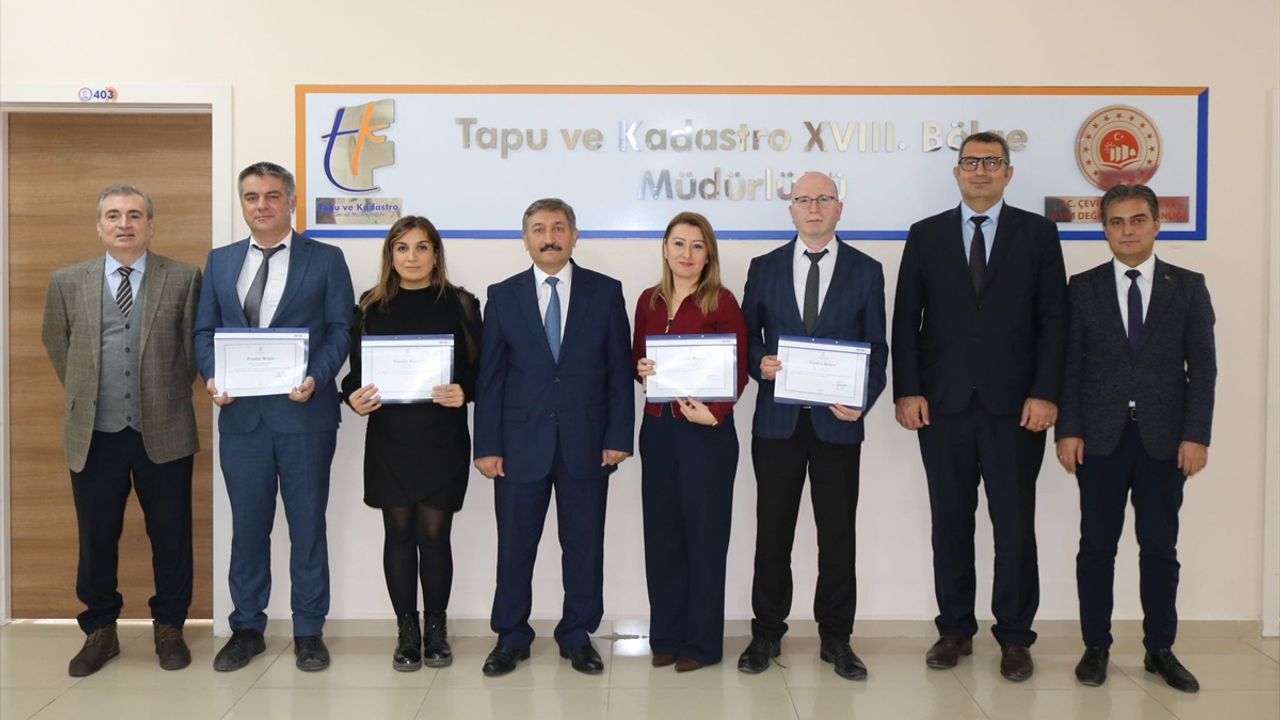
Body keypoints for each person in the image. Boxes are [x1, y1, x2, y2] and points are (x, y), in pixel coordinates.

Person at [892, 131, 1067, 681]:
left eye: (992, 162)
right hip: (941, 406)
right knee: (950, 523)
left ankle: (1015, 637)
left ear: (1008, 173)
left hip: (1016, 409)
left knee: (1014, 526)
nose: (981, 171)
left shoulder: (1038, 234)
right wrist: (907, 390)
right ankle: (954, 630)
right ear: (957, 172)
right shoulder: (925, 235)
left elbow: (1054, 321)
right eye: (971, 162)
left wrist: (1046, 392)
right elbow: (906, 319)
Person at [194, 161, 354, 672]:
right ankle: (247, 628)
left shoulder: (326, 259)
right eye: (251, 197)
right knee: (247, 529)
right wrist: (213, 376)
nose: (261, 205)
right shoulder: (221, 261)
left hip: (305, 417)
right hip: (241, 419)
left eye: (271, 196)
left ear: (291, 201)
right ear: (243, 203)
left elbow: (340, 330)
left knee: (307, 528)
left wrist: (317, 378)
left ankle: (309, 631)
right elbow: (204, 331)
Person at [1055, 184, 1215, 693]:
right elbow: (1069, 367)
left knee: (1160, 548)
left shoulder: (1187, 286)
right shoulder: (1082, 287)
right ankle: (1096, 646)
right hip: (1099, 439)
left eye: (1138, 220)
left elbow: (1203, 370)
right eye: (1117, 222)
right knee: (1096, 547)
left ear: (1156, 224)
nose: (1127, 231)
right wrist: (1068, 429)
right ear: (1104, 228)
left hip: (1165, 442)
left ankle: (1159, 648)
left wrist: (1196, 435)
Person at [42, 184, 202, 676]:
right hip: (94, 432)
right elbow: (57, 342)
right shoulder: (67, 281)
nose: (124, 223)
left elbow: (193, 350)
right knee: (96, 535)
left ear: (151, 225)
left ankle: (170, 627)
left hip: (166, 427)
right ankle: (100, 630)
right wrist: (89, 392)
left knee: (171, 534)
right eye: (113, 215)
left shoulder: (184, 278)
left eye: (135, 215)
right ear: (99, 227)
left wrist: (163, 393)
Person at [736, 172, 888, 681]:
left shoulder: (867, 270)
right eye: (804, 199)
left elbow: (877, 348)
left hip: (837, 425)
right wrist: (760, 363)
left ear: (839, 208)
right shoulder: (764, 267)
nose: (814, 207)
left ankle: (836, 638)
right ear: (792, 209)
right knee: (772, 534)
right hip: (777, 425)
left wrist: (861, 400)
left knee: (837, 536)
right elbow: (748, 337)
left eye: (824, 199)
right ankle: (766, 633)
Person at [473, 198, 633, 676]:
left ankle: (577, 635)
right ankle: (511, 636)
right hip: (519, 445)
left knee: (583, 545)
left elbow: (618, 371)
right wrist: (487, 446)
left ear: (575, 236)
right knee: (514, 547)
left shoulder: (606, 292)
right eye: (539, 229)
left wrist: (618, 436)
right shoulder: (503, 295)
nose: (549, 238)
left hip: (588, 443)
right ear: (525, 239)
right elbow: (491, 377)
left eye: (559, 228)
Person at [341, 216, 481, 671]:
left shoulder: (461, 304)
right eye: (402, 248)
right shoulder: (370, 306)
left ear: (436, 254)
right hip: (391, 438)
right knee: (398, 533)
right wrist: (352, 396)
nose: (412, 257)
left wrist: (466, 390)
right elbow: (355, 375)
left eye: (422, 247)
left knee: (435, 535)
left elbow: (482, 370)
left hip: (442, 437)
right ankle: (406, 632)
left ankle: (436, 629)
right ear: (391, 255)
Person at [633, 212, 748, 672]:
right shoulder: (648, 301)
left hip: (707, 433)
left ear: (708, 255)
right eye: (679, 244)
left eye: (697, 246)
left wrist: (715, 413)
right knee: (662, 537)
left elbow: (738, 368)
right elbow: (636, 359)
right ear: (665, 249)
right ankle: (666, 637)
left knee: (705, 540)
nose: (687, 254)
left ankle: (701, 644)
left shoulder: (723, 301)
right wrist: (641, 368)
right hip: (658, 430)